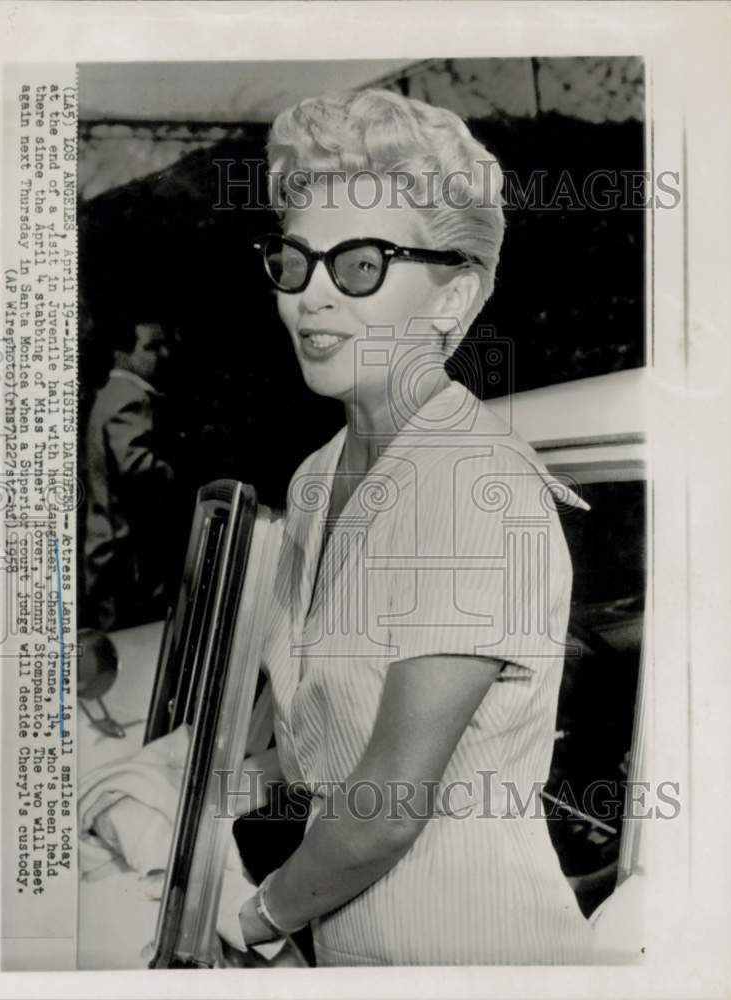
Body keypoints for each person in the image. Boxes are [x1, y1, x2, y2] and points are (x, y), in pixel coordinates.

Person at [229, 89, 595, 967]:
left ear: (452, 293)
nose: (309, 300)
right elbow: (312, 737)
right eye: (294, 262)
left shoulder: (477, 489)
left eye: (358, 267)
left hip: (473, 946)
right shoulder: (315, 480)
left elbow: (386, 807)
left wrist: (246, 923)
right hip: (347, 937)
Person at [84, 319, 178, 632]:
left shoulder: (111, 393)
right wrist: (178, 471)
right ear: (122, 354)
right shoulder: (130, 397)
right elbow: (136, 469)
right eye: (151, 347)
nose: (163, 355)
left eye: (163, 345)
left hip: (109, 549)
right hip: (127, 560)